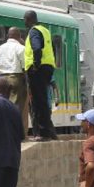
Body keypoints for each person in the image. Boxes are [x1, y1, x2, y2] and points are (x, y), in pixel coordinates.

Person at [24, 10, 59, 141]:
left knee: (38, 102)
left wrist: (35, 65)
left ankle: (43, 133)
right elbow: (53, 50)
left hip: (38, 69)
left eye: (25, 19)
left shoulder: (33, 31)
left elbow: (37, 48)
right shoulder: (45, 30)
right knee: (43, 100)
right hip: (48, 67)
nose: (24, 22)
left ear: (30, 19)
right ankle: (49, 132)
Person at [0, 27, 29, 138]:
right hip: (16, 78)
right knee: (16, 108)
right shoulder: (21, 48)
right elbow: (24, 68)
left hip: (1, 79)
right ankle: (15, 134)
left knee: (2, 107)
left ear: (8, 35)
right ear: (19, 36)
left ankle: (2, 133)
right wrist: (27, 84)